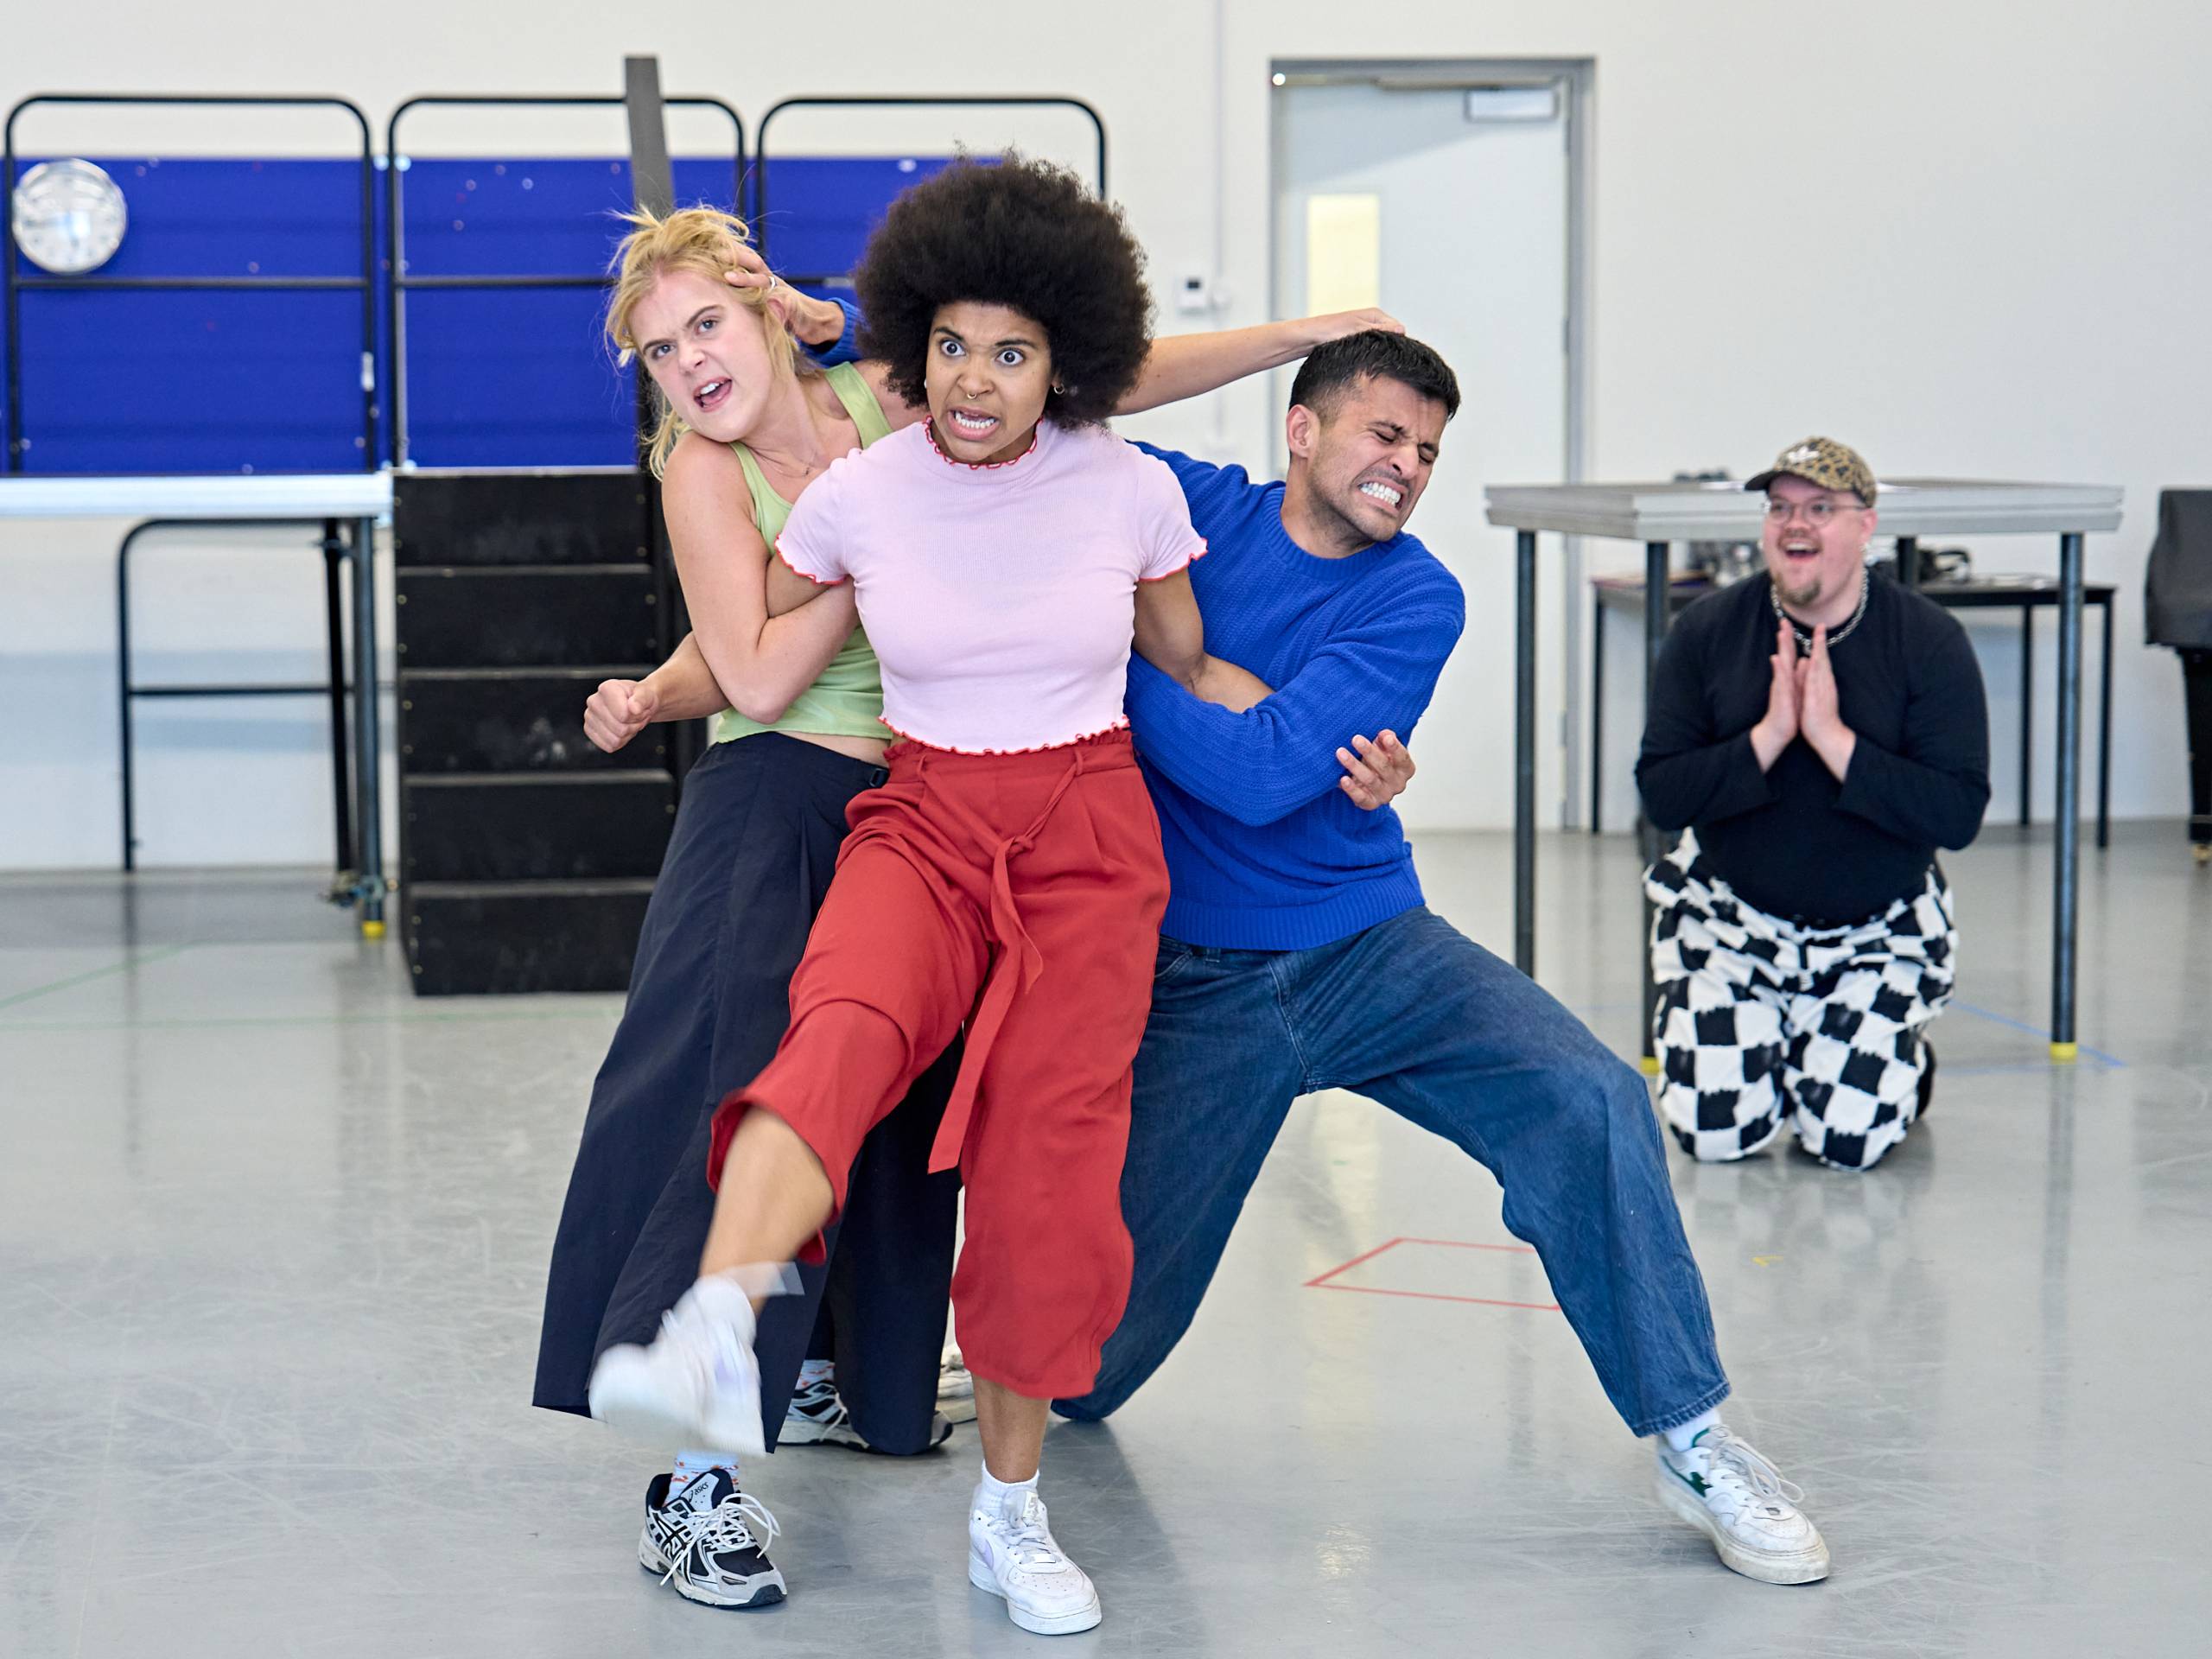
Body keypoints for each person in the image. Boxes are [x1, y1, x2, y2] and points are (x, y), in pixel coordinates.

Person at [577, 156, 1408, 1637]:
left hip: (1089, 839)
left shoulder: (1132, 485)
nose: (973, 378)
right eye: (951, 345)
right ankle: (713, 1341)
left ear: (1064, 369)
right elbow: (752, 643)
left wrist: (1336, 748)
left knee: (1046, 1174)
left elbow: (1190, 665)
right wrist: (654, 690)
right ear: (916, 347)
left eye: (1014, 352)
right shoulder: (858, 484)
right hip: (922, 813)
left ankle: (1011, 1517)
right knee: (824, 1043)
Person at [1051, 333, 1832, 1589]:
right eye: (1382, 434)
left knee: (1588, 1096)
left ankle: (1695, 1437)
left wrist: (1109, 671)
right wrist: (1206, 687)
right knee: (1090, 1374)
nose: (1405, 467)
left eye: (1425, 450)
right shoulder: (1186, 506)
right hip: (1192, 980)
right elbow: (1063, 399)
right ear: (1300, 429)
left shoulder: (1418, 594)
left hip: (1368, 941)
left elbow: (1260, 781)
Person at [1636, 437, 1991, 1171]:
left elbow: (1957, 815)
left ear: (1866, 526)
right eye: (1781, 508)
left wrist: (1833, 740)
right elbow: (1660, 792)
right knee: (1714, 1137)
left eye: (1820, 508)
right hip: (1732, 930)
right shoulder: (1706, 632)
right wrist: (1768, 737)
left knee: (1847, 1144)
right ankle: (1786, 1044)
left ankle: (1894, 1062)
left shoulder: (1928, 641)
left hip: (1874, 936)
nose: (1795, 525)